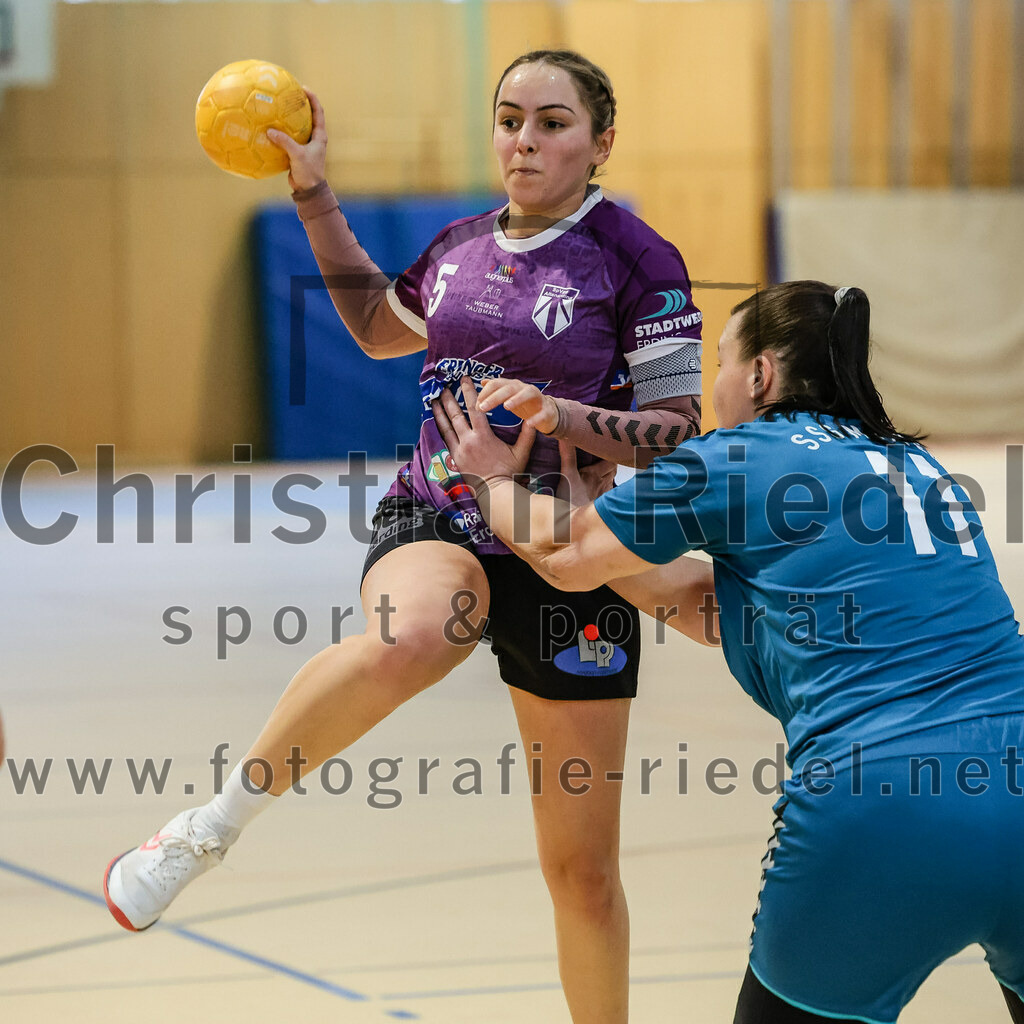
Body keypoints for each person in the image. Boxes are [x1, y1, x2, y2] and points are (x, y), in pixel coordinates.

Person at [103, 50, 703, 1023]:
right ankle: (204, 832)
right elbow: (382, 327)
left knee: (582, 874)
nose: (524, 139)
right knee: (416, 632)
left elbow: (677, 429)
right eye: (510, 118)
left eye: (551, 123)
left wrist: (558, 417)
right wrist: (314, 194)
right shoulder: (462, 245)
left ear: (600, 141)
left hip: (571, 547)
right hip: (442, 511)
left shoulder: (638, 260)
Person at [433, 280, 1024, 1024]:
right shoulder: (915, 466)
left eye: (719, 363)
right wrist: (600, 514)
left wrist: (489, 480)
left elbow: (566, 556)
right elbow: (709, 605)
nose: (713, 385)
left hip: (882, 801)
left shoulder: (740, 454)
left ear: (760, 375)